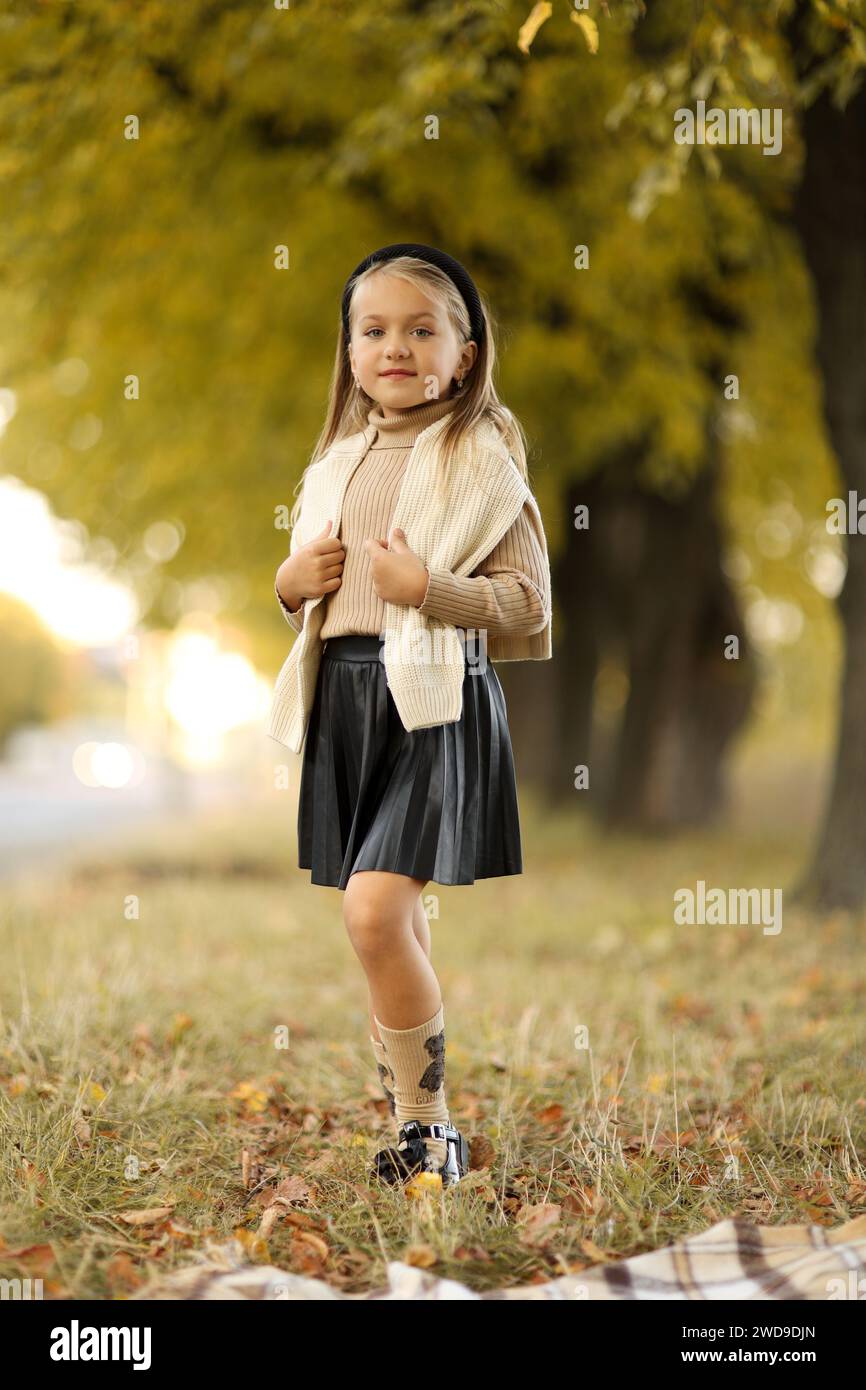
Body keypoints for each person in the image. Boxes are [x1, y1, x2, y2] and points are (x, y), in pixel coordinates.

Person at [268, 243, 553, 1188]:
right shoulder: (335, 463)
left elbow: (525, 604)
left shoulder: (484, 458)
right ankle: (414, 1120)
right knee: (395, 922)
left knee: (375, 912)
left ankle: (430, 1127)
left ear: (464, 355)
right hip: (346, 698)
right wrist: (286, 583)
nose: (396, 346)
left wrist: (428, 587)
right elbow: (315, 587)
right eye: (375, 329)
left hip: (433, 700)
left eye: (422, 329)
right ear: (349, 352)